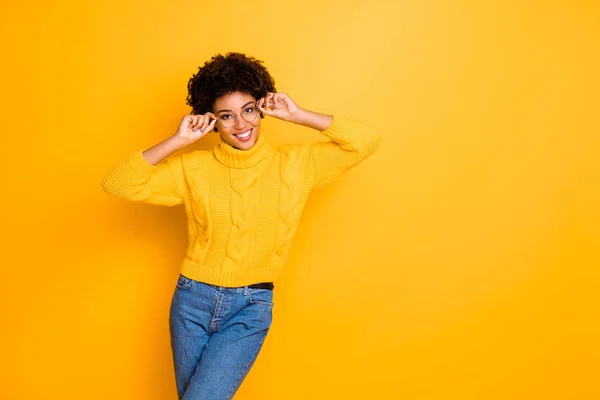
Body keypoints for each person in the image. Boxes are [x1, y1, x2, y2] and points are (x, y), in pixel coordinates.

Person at [101, 52, 382, 400]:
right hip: (192, 301)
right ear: (212, 120)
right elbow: (117, 183)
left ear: (261, 108)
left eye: (248, 110)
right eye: (226, 116)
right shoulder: (193, 169)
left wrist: (298, 115)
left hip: (251, 306)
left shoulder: (297, 165)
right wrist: (178, 141)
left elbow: (366, 141)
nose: (240, 124)